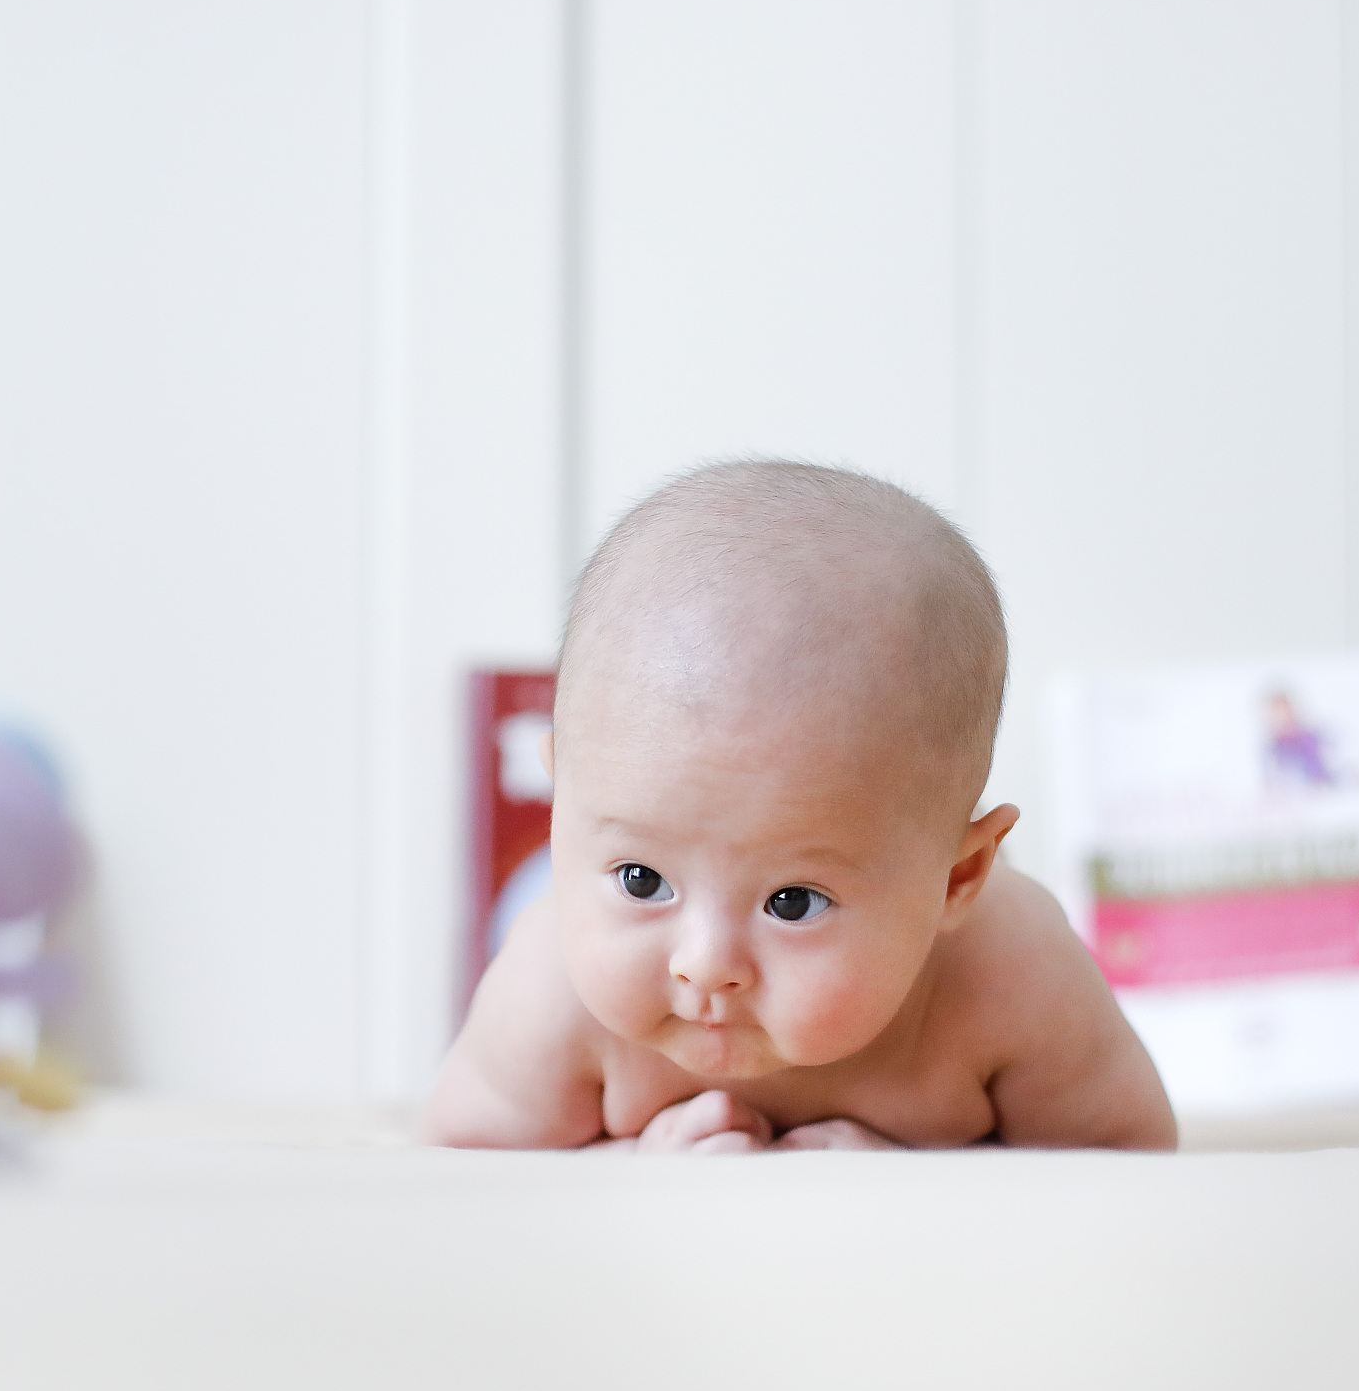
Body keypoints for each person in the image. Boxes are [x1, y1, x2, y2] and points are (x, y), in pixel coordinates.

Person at [424, 459, 1176, 1152]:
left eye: (792, 901)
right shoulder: (550, 992)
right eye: (641, 880)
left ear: (958, 878)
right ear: (562, 812)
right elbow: (462, 1180)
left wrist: (929, 1183)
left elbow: (1131, 1168)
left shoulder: (1013, 974)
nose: (707, 965)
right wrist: (627, 1165)